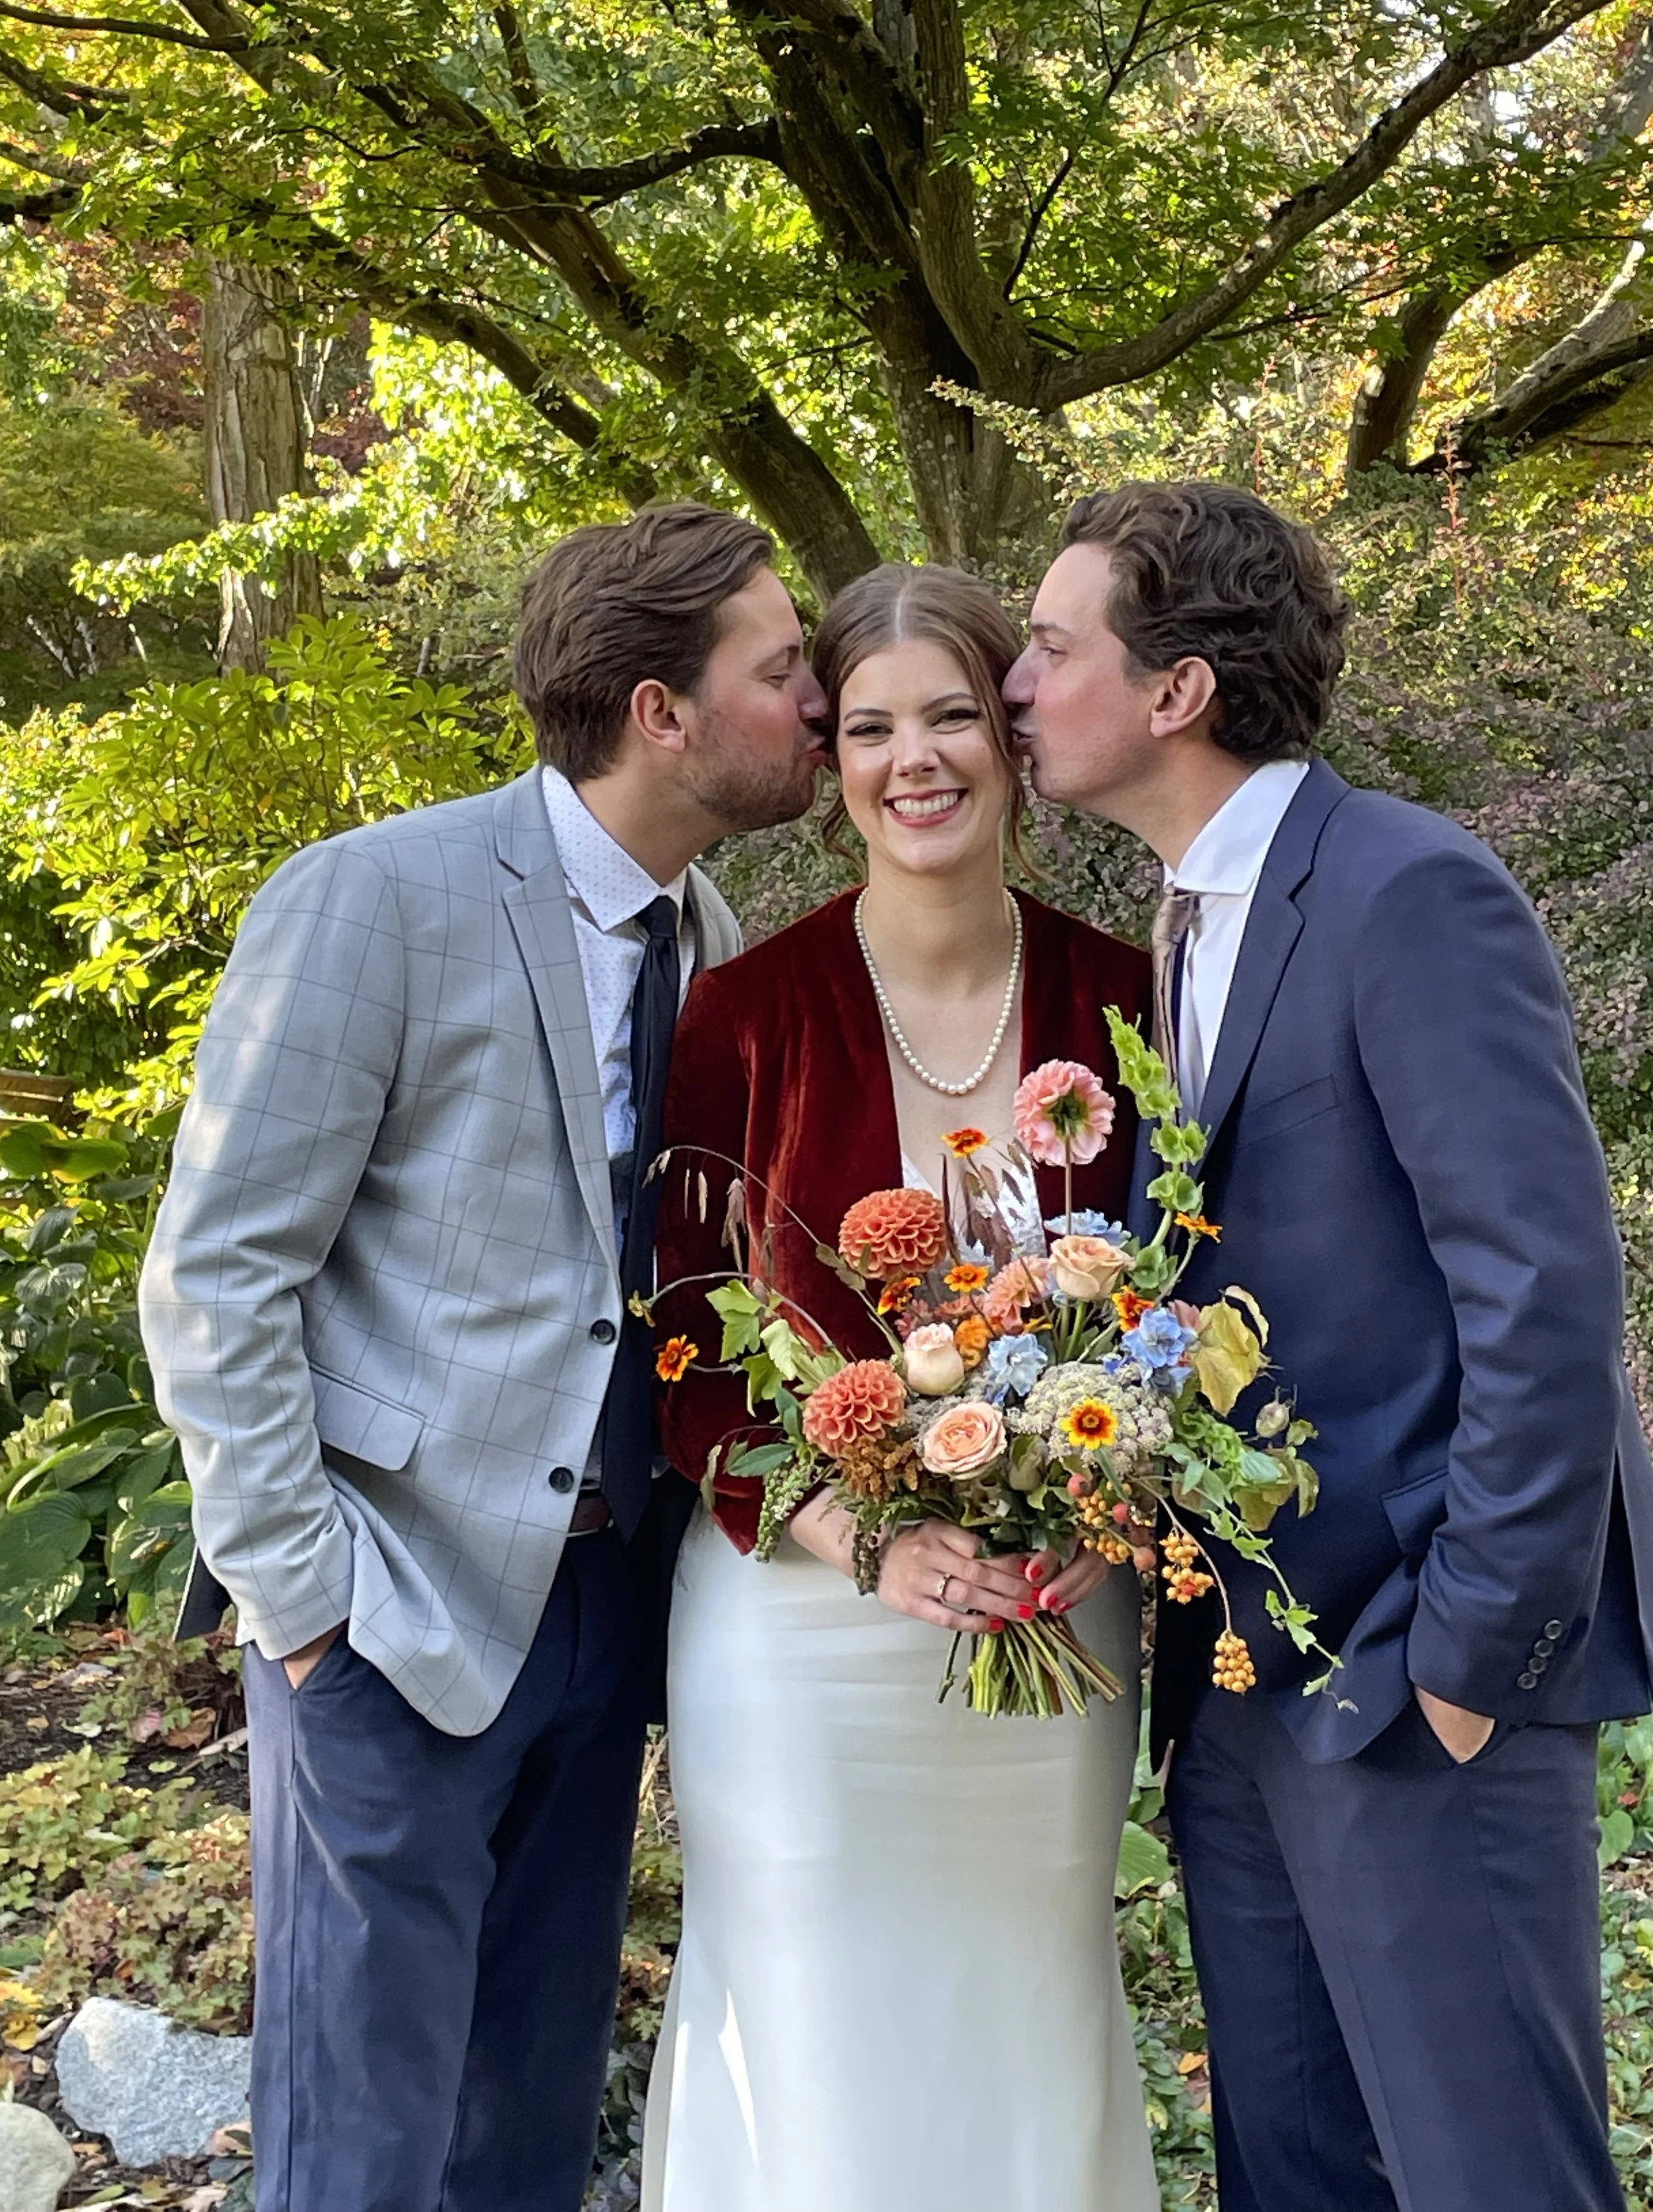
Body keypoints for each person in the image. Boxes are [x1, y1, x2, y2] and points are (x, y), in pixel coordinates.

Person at [138, 502, 828, 2212]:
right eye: (783, 666)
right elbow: (217, 1274)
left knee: (521, 2121)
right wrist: (301, 1603)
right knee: (359, 2151)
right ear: (660, 711)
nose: (817, 697)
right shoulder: (376, 897)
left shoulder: (712, 936)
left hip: (604, 1614)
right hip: (388, 1610)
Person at [1005, 479, 1653, 2212]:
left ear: (1174, 691)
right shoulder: (1185, 921)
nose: (1014, 679)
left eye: (1051, 644)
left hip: (1411, 1673)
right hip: (1240, 1685)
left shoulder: (1407, 892)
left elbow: (1541, 1286)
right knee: (1292, 2168)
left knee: (1486, 2174)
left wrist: (1465, 1663)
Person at [645, 563, 1160, 2212]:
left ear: (1009, 737)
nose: (911, 758)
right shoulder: (742, 1012)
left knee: (1023, 2023)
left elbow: (1198, 1300)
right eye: (868, 726)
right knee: (816, 2048)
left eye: (949, 714)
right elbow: (682, 1348)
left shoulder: (1128, 997)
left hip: (1047, 1616)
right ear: (833, 761)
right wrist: (856, 1541)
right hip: (802, 1636)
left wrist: (1117, 1484)